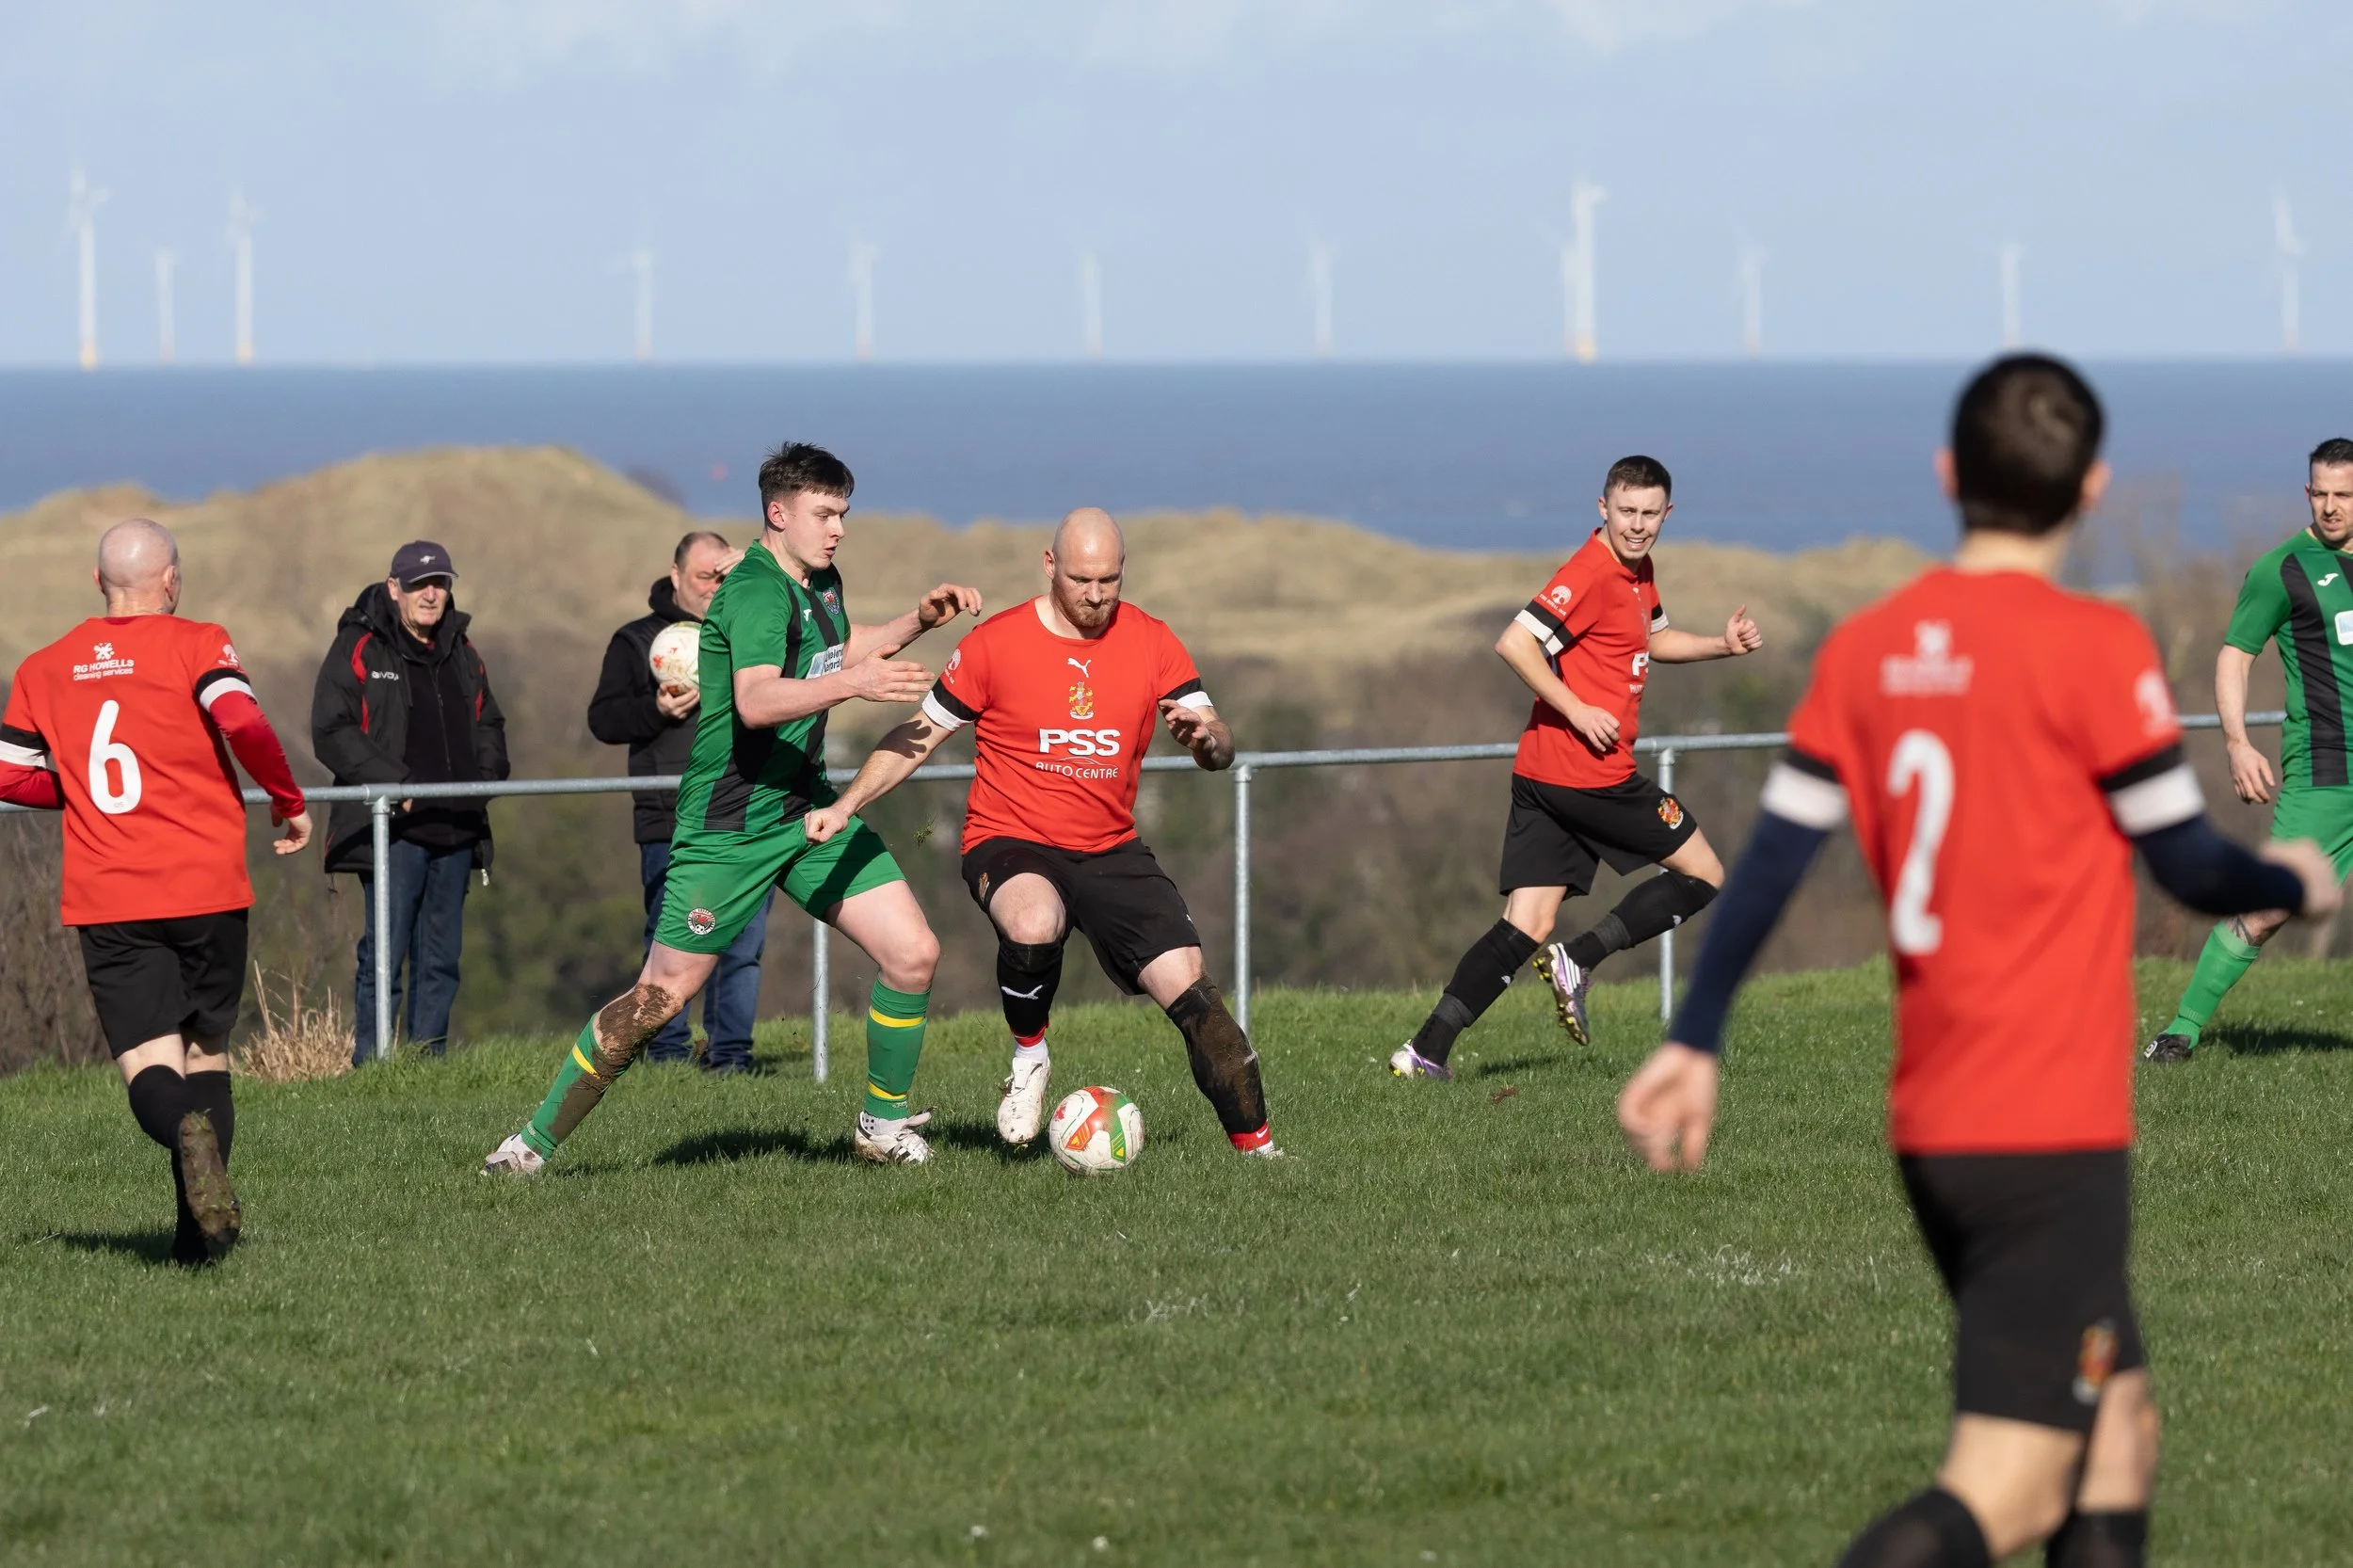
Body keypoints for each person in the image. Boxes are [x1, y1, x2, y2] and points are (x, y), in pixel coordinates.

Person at [1614, 355, 2341, 1568]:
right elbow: (2193, 868)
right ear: (2092, 487)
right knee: (2004, 1483)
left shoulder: (1868, 649)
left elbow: (1778, 861)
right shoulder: (2089, 646)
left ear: (1950, 476)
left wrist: (1694, 1035)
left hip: (1937, 1116)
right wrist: (2294, 878)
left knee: (2118, 1433)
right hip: (2045, 1129)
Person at [483, 442, 981, 1173]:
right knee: (660, 999)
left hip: (805, 808)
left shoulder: (819, 579)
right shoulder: (752, 590)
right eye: (824, 513)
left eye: (843, 513)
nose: (838, 528)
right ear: (777, 513)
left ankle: (881, 1125)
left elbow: (833, 654)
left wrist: (916, 620)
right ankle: (528, 1147)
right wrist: (861, 687)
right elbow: (755, 700)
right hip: (729, 826)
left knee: (913, 953)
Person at [808, 506, 1280, 1157]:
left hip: (1110, 846)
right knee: (1032, 923)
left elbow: (1219, 742)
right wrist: (848, 803)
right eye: (1081, 578)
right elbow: (918, 734)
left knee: (1195, 994)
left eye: (1109, 581)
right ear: (1049, 565)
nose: (1094, 595)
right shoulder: (996, 644)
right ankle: (1029, 1057)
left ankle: (1260, 1154)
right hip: (1010, 838)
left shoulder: (1152, 640)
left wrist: (1209, 740)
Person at [1388, 456, 1763, 1080]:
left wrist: (1721, 646)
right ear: (1602, 509)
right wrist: (1578, 708)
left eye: (1649, 515)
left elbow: (1654, 640)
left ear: (1667, 514)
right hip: (1590, 775)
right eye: (1626, 513)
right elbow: (1515, 642)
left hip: (1541, 775)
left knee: (1526, 922)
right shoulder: (1591, 572)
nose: (1637, 526)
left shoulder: (1638, 574)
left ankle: (1425, 1050)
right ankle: (1581, 959)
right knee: (1705, 873)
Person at [0, 520, 311, 1266]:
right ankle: (196, 1241)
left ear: (97, 581)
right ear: (170, 580)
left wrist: (77, 792)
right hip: (206, 886)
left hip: (111, 897)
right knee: (206, 1055)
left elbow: (7, 773)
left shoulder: (44, 668)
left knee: (150, 1065)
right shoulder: (197, 642)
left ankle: (181, 1146)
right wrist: (286, 796)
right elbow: (240, 718)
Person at [2146, 438, 2353, 1062]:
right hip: (2326, 768)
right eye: (2321, 493)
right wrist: (2237, 743)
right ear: (2307, 493)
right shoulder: (2281, 569)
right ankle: (2180, 1031)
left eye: (2344, 494)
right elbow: (2235, 657)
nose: (2332, 506)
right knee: (2268, 907)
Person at [312, 540, 510, 1064]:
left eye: (440, 583)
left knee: (441, 960)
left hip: (456, 826)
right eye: (419, 584)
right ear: (392, 588)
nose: (431, 594)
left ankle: (429, 1068)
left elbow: (490, 721)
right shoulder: (360, 645)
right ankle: (373, 1068)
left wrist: (481, 783)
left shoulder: (463, 652)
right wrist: (393, 786)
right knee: (384, 955)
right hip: (391, 829)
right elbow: (331, 730)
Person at [587, 530, 765, 1073]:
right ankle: (664, 1053)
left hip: (744, 809)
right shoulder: (637, 640)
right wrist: (656, 712)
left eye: (723, 575)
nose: (714, 586)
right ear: (675, 576)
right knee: (670, 938)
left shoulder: (746, 631)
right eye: (703, 576)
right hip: (669, 814)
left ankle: (730, 1057)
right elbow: (604, 719)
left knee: (741, 939)